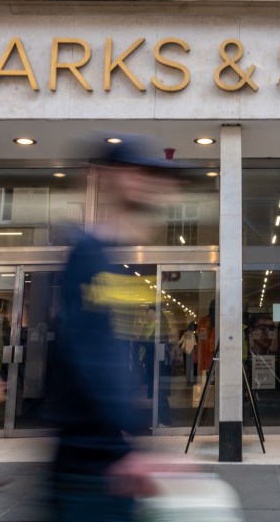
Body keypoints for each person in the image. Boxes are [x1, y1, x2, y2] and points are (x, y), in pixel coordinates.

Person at [47, 136, 182, 521]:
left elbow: (106, 356)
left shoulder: (106, 257)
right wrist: (119, 451)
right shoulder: (89, 255)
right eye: (140, 174)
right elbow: (86, 359)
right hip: (90, 469)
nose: (154, 188)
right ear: (114, 179)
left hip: (103, 462)